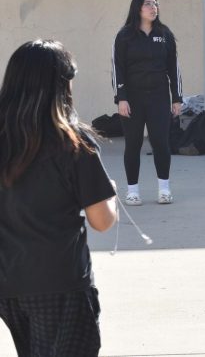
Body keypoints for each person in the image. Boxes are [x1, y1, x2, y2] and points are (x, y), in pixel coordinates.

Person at [0, 40, 117, 356]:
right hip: (61, 281)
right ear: (61, 85)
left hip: (9, 284)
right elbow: (102, 220)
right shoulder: (73, 142)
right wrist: (112, 194)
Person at [112, 0, 183, 206]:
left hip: (159, 98)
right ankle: (132, 191)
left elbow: (174, 68)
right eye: (148, 4)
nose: (153, 8)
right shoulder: (124, 35)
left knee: (161, 143)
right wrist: (121, 98)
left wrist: (176, 98)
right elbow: (118, 69)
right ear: (138, 8)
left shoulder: (164, 34)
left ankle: (164, 189)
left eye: (155, 4)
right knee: (132, 144)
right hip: (132, 99)